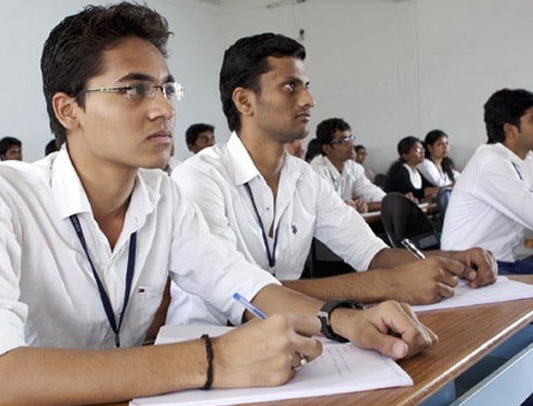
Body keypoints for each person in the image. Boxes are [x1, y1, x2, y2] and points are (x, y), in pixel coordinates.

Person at [0, 5, 437, 406]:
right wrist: (213, 360)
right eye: (134, 89)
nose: (165, 108)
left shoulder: (161, 194)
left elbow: (241, 282)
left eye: (166, 88)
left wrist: (342, 320)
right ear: (69, 109)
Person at [167, 33, 495, 326]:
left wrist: (455, 260)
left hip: (291, 337)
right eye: (290, 86)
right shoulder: (199, 177)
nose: (308, 100)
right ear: (244, 100)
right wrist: (388, 284)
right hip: (210, 346)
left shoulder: (303, 178)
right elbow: (240, 294)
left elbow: (373, 255)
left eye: (306, 87)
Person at [442, 88, 533, 406]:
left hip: (501, 263)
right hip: (472, 273)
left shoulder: (518, 162)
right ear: (510, 128)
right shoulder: (491, 162)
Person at [310, 118, 385, 212]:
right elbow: (327, 209)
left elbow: (379, 198)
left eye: (351, 138)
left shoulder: (353, 167)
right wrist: (353, 207)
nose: (351, 144)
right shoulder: (316, 170)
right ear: (327, 149)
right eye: (343, 141)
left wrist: (365, 206)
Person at [385, 135, 429, 200]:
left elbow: (429, 186)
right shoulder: (400, 171)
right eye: (418, 150)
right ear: (405, 155)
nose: (422, 152)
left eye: (422, 149)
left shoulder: (416, 170)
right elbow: (414, 192)